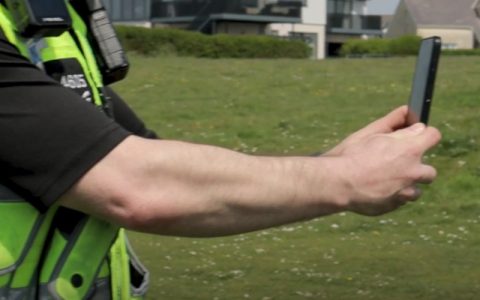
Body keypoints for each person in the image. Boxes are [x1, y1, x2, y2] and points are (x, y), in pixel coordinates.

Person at [0, 1, 442, 299]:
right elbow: (139, 185)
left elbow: (149, 161)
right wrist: (346, 180)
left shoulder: (47, 23)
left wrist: (334, 165)